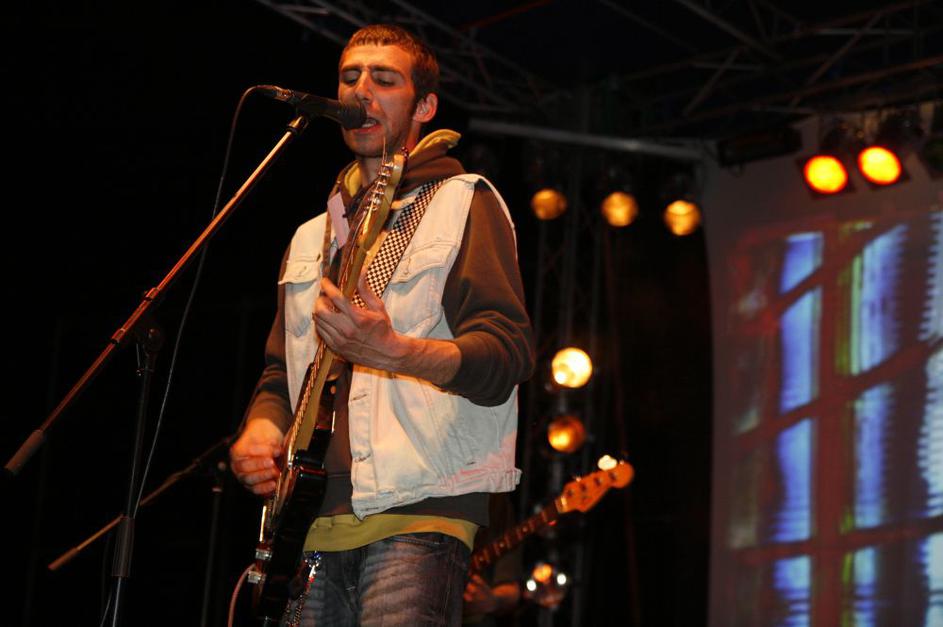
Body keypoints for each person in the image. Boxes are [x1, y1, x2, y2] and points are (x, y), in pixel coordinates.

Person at [229, 23, 535, 626]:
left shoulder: (462, 201)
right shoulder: (310, 236)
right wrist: (260, 429)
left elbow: (508, 354)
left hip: (419, 508)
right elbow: (279, 373)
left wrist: (396, 352)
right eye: (350, 77)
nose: (361, 90)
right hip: (308, 518)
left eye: (384, 79)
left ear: (425, 106)